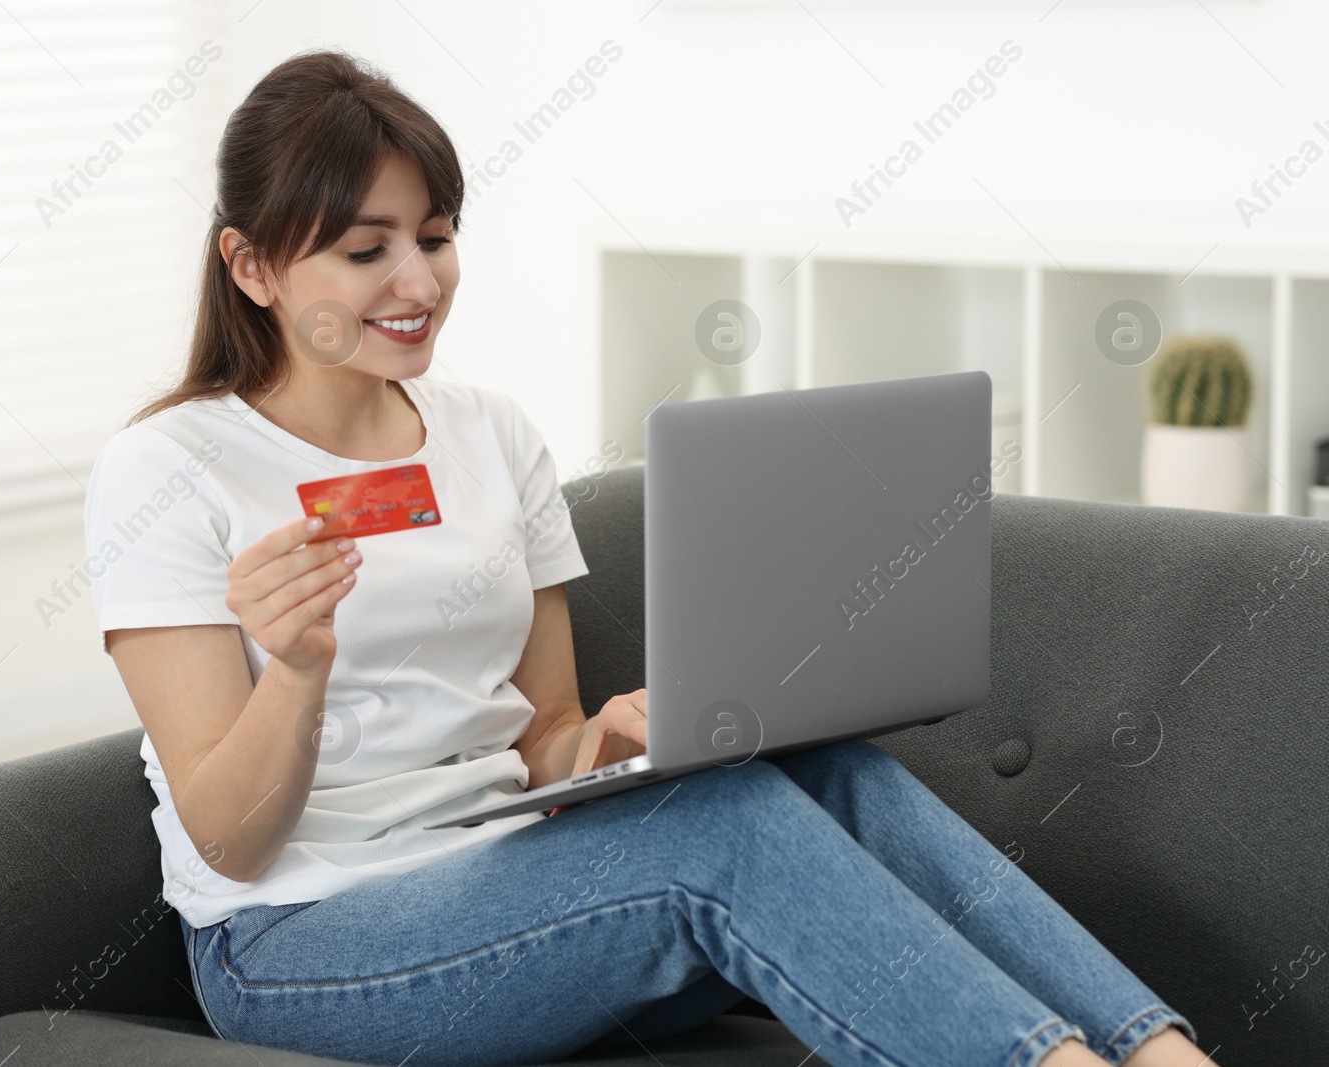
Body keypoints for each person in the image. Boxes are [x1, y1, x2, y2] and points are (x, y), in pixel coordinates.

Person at [83, 47, 1214, 1067]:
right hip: (302, 937)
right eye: (365, 249)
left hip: (512, 880)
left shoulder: (488, 431)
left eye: (433, 237)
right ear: (251, 265)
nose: (419, 285)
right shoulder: (169, 467)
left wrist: (605, 744)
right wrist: (296, 666)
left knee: (836, 776)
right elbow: (229, 845)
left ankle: (1160, 1054)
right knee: (724, 833)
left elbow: (537, 742)